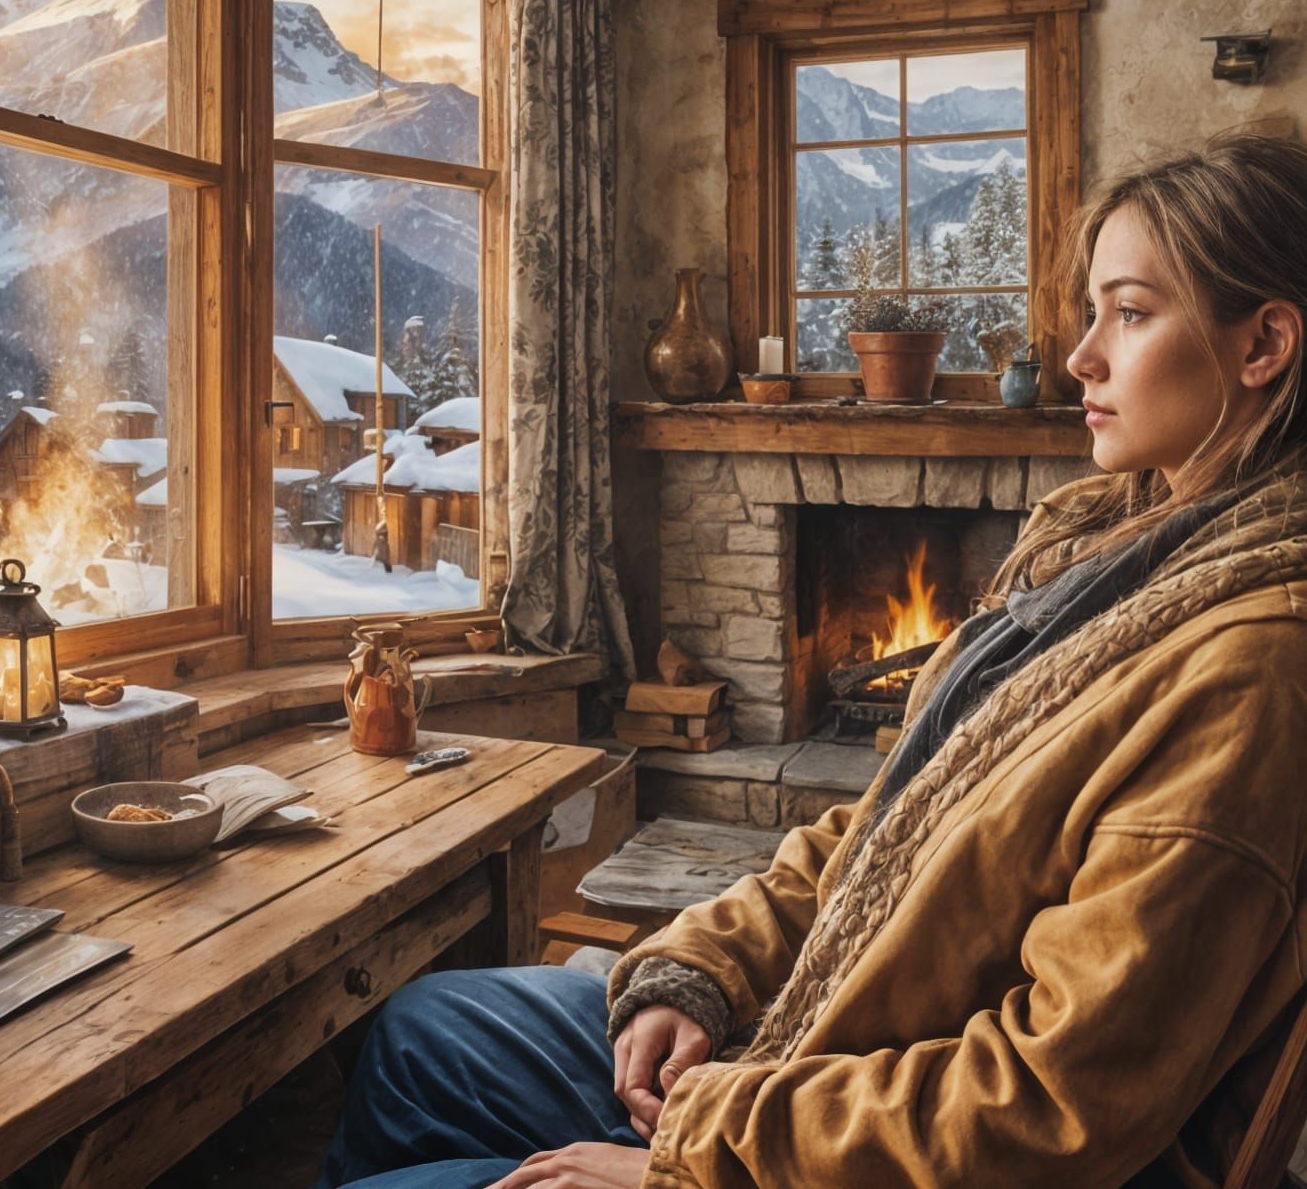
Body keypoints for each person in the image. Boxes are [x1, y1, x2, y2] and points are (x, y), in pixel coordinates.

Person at [313, 135, 1307, 1189]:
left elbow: (1054, 1103)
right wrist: (700, 969)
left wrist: (692, 1159)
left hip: (887, 1120)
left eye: (1132, 313)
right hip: (844, 1032)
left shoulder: (1248, 672)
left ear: (1264, 344)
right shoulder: (1104, 565)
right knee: (424, 1028)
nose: (1081, 358)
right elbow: (889, 828)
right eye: (1093, 311)